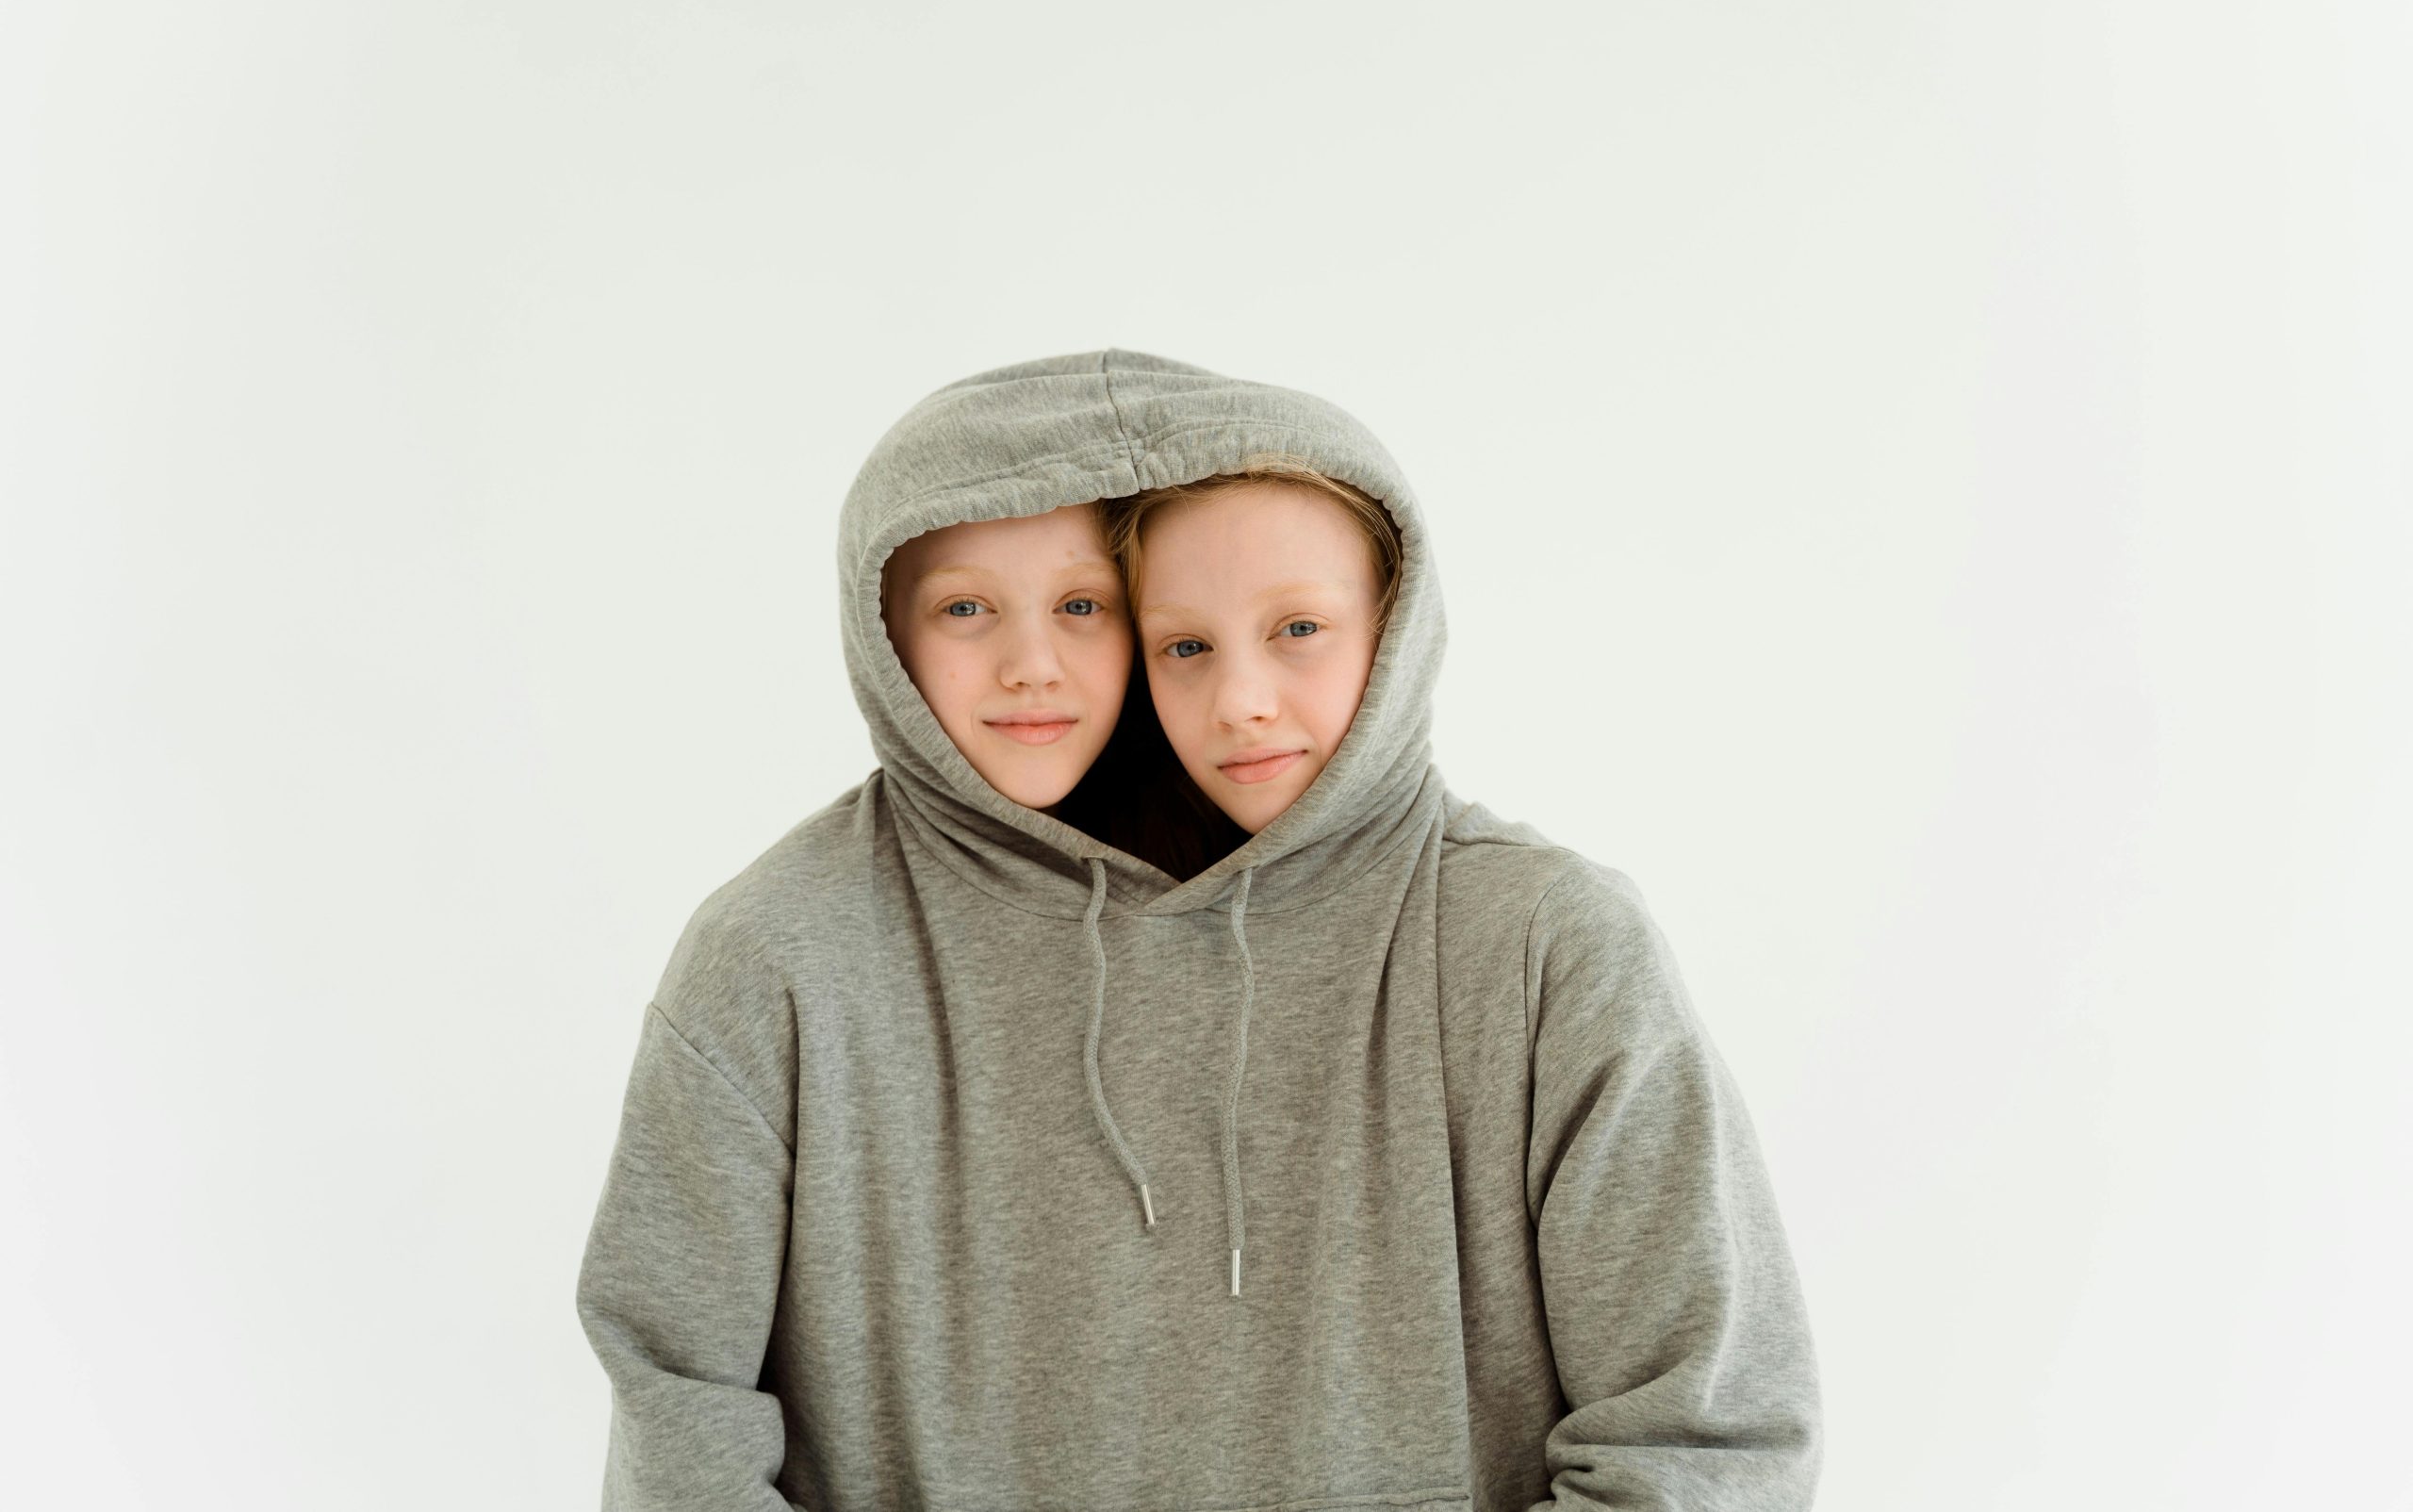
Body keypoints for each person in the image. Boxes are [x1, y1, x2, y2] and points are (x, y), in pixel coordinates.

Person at [575, 347, 1824, 1512]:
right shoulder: (776, 956)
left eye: (1080, 605)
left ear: (1396, 623)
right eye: (963, 609)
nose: (1033, 664)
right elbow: (680, 1433)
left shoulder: (1548, 946)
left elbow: (1705, 1443)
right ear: (879, 635)